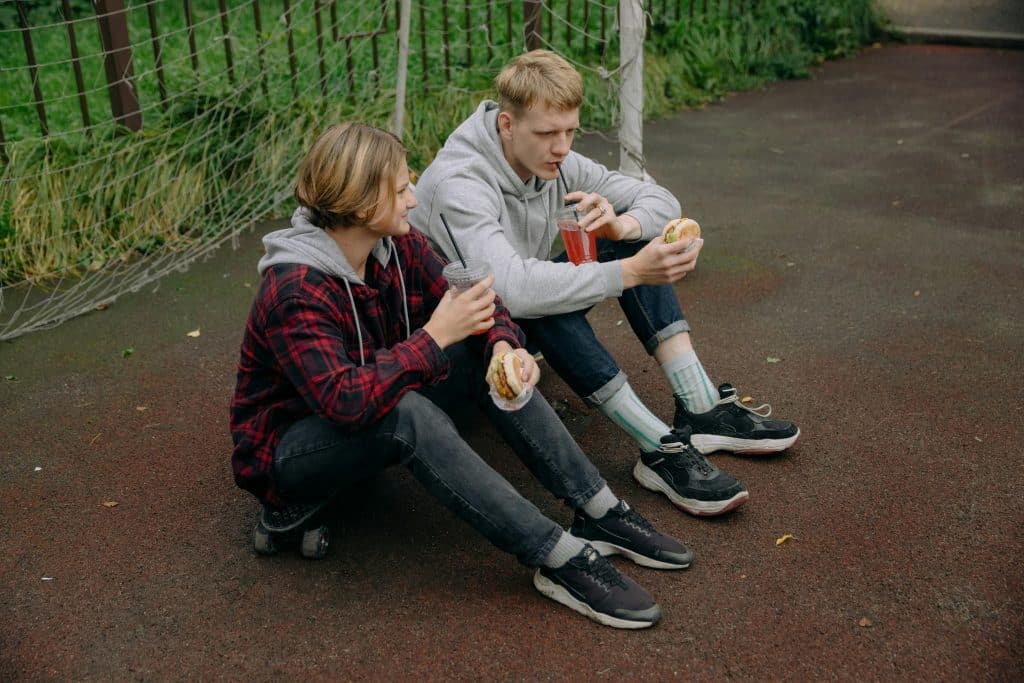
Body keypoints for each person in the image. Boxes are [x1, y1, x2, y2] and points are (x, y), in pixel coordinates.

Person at [229, 122, 696, 630]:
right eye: (402, 189)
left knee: (480, 358)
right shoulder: (295, 287)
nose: (413, 198)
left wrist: (502, 346)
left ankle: (598, 509)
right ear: (363, 207)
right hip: (292, 455)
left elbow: (480, 299)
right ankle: (555, 556)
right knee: (406, 412)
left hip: (372, 404)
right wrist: (432, 338)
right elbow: (344, 401)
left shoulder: (397, 247)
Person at [411, 50, 800, 518]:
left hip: (512, 321)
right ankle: (658, 449)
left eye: (570, 131)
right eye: (547, 134)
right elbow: (507, 290)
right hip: (452, 351)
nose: (562, 147)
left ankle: (699, 407)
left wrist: (622, 229)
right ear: (507, 125)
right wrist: (631, 273)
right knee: (544, 299)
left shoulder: (554, 159)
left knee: (633, 246)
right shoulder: (459, 183)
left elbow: (660, 199)